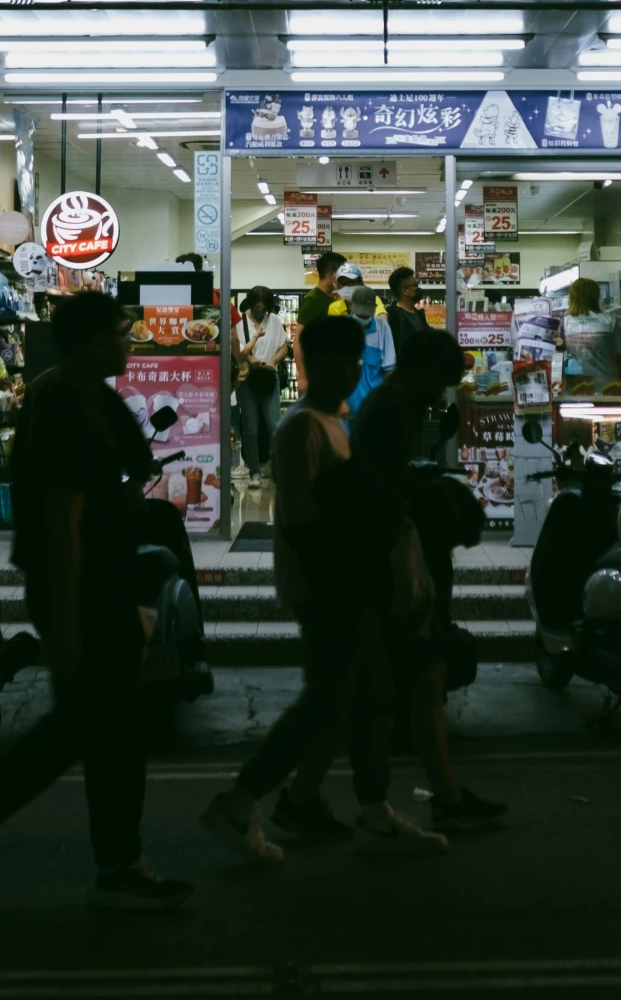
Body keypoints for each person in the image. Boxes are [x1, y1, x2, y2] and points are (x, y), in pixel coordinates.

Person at [0, 292, 192, 911]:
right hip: (80, 583)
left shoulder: (83, 393)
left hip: (101, 580)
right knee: (108, 727)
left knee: (91, 726)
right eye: (123, 332)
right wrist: (71, 621)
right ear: (93, 340)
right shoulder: (65, 404)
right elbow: (62, 517)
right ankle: (107, 856)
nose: (131, 341)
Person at [198, 316, 447, 859]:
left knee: (358, 699)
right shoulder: (303, 428)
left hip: (343, 583)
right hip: (328, 587)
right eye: (348, 362)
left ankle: (366, 808)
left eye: (358, 361)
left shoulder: (330, 422)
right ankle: (240, 804)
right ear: (318, 365)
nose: (356, 370)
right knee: (329, 702)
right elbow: (303, 520)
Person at [349, 326, 509, 834]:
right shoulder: (392, 408)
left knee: (422, 679)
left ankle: (445, 795)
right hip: (397, 563)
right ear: (425, 371)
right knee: (409, 678)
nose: (445, 391)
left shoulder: (395, 403)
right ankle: (420, 800)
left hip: (401, 558)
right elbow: (385, 485)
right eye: (444, 380)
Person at [234, 286, 289, 479]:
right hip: (247, 379)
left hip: (268, 377)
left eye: (263, 308)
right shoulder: (239, 323)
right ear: (250, 304)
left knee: (273, 423)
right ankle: (254, 470)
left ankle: (276, 467)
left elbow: (284, 347)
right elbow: (238, 351)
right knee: (250, 426)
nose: (260, 311)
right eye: (257, 307)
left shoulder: (273, 320)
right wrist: (249, 359)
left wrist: (273, 362)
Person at [290, 250, 346, 393]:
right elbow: (298, 339)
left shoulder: (335, 298)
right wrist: (302, 377)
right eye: (342, 272)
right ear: (331, 273)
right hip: (315, 373)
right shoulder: (313, 299)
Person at [344, 283, 396, 415]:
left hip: (374, 406)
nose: (363, 317)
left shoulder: (382, 327)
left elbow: (389, 370)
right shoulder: (340, 329)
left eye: (367, 313)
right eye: (360, 313)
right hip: (346, 407)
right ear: (349, 305)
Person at [386, 266, 431, 356]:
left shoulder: (419, 314)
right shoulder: (391, 316)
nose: (418, 289)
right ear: (404, 290)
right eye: (415, 286)